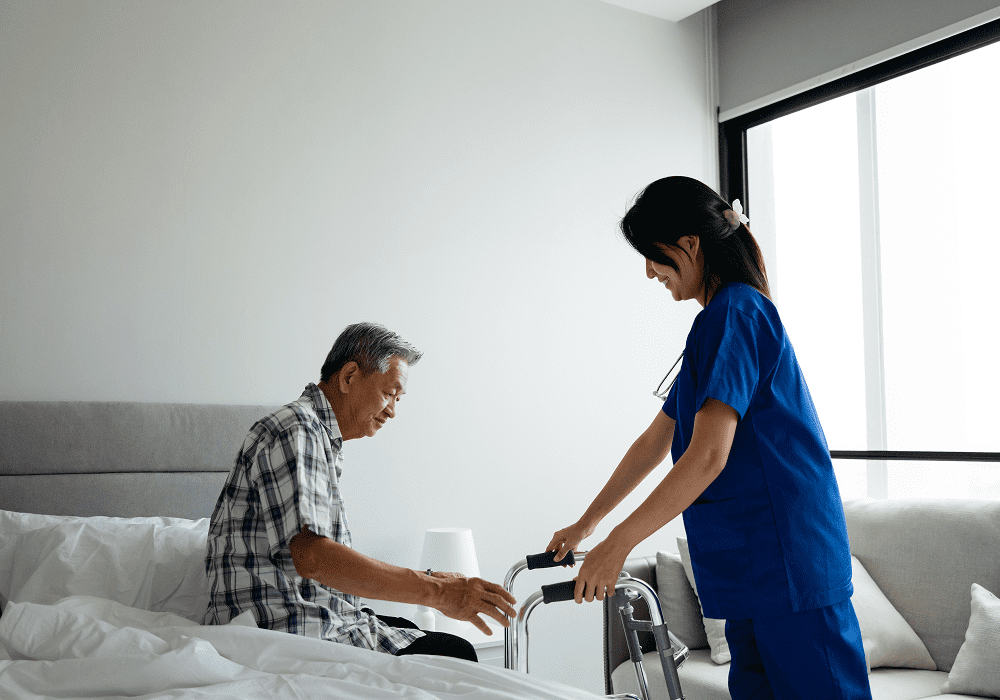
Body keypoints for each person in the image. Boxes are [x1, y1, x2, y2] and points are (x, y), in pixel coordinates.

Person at [546, 177, 872, 700]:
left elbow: (707, 457)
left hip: (787, 560)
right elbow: (655, 440)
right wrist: (588, 523)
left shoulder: (737, 313)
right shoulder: (712, 324)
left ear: (691, 244)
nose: (649, 270)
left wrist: (619, 543)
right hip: (748, 567)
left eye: (654, 254)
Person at [205, 322, 516, 662]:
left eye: (399, 398)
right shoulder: (296, 428)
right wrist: (438, 592)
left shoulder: (317, 436)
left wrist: (431, 579)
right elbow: (313, 557)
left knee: (432, 639)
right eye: (389, 393)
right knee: (454, 654)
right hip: (289, 627)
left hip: (318, 616)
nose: (393, 410)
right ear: (349, 376)